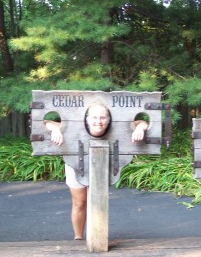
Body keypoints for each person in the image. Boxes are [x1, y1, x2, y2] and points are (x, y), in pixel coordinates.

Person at [45, 103, 149, 240]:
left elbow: (144, 122)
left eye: (102, 118)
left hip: (103, 160)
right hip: (76, 162)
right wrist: (55, 130)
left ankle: (97, 238)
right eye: (94, 117)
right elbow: (46, 122)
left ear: (109, 120)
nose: (98, 121)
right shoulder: (74, 125)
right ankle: (78, 237)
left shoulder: (118, 125)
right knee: (80, 203)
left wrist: (140, 128)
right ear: (87, 119)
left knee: (98, 200)